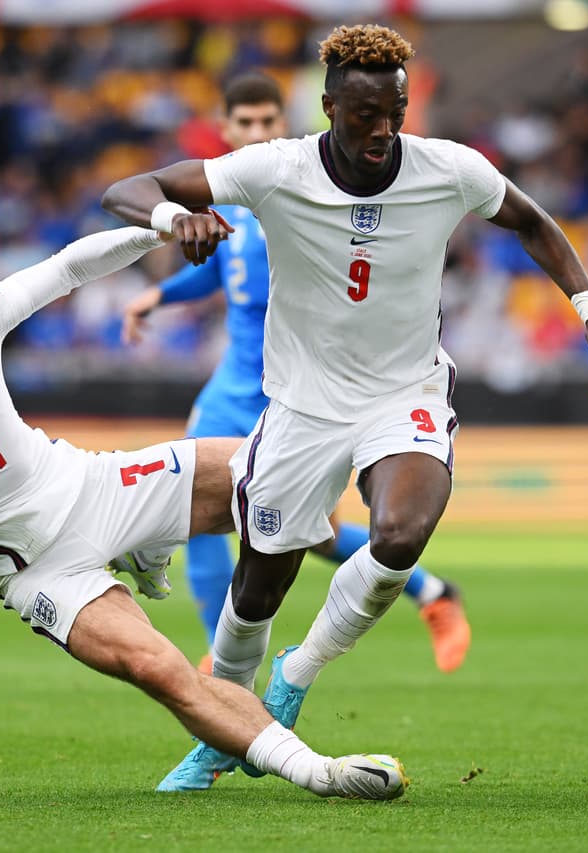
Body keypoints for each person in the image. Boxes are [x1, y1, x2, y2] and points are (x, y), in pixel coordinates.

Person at [102, 24, 588, 791]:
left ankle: (295, 679)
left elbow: (531, 220)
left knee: (401, 532)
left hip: (405, 392)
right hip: (302, 404)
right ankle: (222, 729)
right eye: (365, 116)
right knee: (259, 585)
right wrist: (173, 220)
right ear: (330, 107)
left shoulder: (446, 167)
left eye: (394, 112)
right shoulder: (277, 168)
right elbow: (129, 189)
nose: (383, 130)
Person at [0, 208, 408, 801]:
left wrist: (161, 229)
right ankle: (320, 773)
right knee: (160, 668)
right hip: (39, 569)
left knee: (286, 485)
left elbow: (68, 267)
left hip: (95, 486)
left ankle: (289, 670)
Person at [122, 71, 471, 678]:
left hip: (300, 392)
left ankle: (431, 592)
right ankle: (217, 662)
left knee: (310, 534)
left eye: (267, 122)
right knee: (196, 515)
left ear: (284, 124)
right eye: (245, 123)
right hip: (231, 385)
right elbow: (221, 270)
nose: (257, 132)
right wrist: (164, 296)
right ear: (225, 129)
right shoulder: (234, 197)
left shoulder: (290, 193)